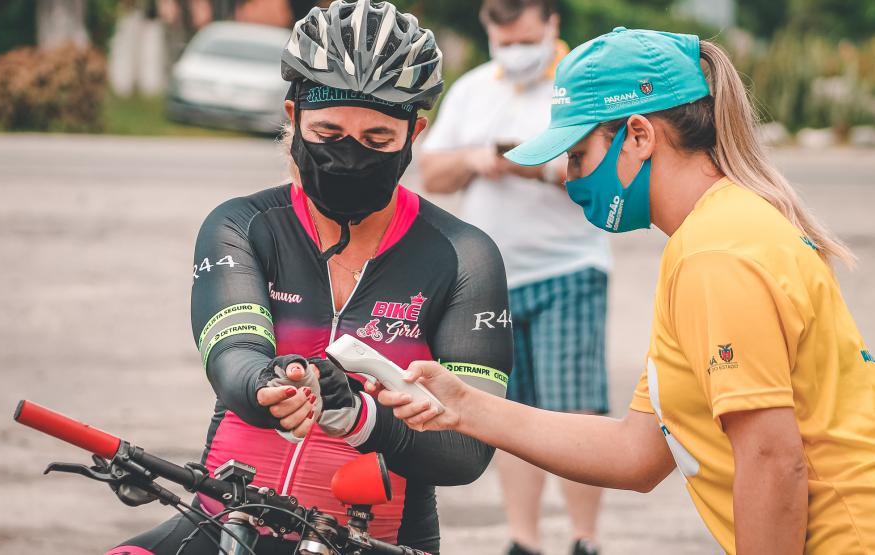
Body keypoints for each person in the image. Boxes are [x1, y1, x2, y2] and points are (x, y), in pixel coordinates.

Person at [377, 27, 875, 555]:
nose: (570, 180)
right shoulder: (711, 236)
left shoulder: (716, 253)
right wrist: (463, 405)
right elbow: (637, 454)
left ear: (638, 136)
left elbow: (772, 459)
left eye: (577, 155)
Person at [105, 2, 513, 554]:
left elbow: (466, 451)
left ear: (415, 132)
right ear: (293, 118)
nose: (349, 156)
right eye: (328, 131)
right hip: (223, 524)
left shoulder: (464, 255)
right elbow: (234, 356)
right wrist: (267, 384)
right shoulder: (244, 226)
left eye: (376, 140)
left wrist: (362, 418)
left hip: (379, 542)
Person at [419, 2, 609, 554]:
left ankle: (584, 538)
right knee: (511, 411)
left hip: (568, 268)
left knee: (574, 408)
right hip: (490, 278)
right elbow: (432, 169)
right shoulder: (475, 88)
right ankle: (522, 540)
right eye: (505, 36)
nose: (516, 47)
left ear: (552, 24)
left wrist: (532, 163)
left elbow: (598, 171)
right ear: (488, 28)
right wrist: (478, 158)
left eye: (527, 36)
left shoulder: (582, 85)